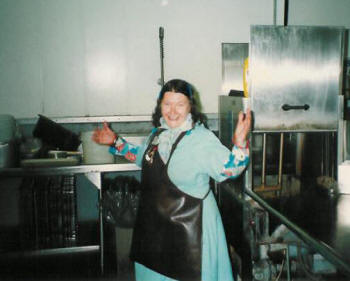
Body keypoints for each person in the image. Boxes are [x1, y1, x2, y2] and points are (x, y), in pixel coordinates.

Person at [92, 79, 251, 281]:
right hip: (155, 230)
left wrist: (240, 145)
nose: (172, 111)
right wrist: (116, 141)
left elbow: (229, 170)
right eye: (167, 104)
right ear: (160, 105)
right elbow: (142, 157)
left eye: (180, 104)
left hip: (192, 232)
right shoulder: (157, 135)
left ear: (190, 107)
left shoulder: (201, 139)